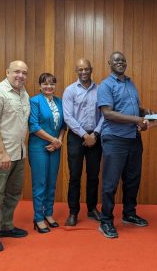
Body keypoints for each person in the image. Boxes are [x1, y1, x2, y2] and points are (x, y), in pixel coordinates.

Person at [97, 51, 150, 239]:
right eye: (117, 60)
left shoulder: (130, 83)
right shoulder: (106, 85)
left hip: (133, 138)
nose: (120, 63)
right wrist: (137, 118)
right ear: (109, 62)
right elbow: (108, 113)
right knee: (111, 183)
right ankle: (106, 221)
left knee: (132, 179)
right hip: (115, 139)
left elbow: (134, 106)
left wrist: (147, 113)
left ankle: (129, 213)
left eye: (123, 60)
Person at [0, 60, 30, 252]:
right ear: (7, 72)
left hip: (18, 152)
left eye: (24, 73)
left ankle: (5, 226)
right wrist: (2, 153)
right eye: (16, 72)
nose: (20, 76)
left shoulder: (24, 94)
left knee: (13, 193)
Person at [63, 59, 103, 226]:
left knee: (93, 176)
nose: (84, 72)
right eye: (80, 69)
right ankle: (73, 212)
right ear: (76, 71)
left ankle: (92, 208)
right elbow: (68, 117)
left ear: (91, 70)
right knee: (74, 176)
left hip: (96, 137)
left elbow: (105, 114)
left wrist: (95, 134)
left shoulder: (101, 90)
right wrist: (83, 135)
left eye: (86, 69)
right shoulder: (70, 90)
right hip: (75, 138)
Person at [28, 73, 66, 233]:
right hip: (38, 148)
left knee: (51, 182)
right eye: (45, 84)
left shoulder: (59, 101)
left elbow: (64, 125)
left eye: (51, 84)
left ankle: (48, 214)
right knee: (40, 183)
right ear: (39, 86)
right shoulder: (34, 101)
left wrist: (59, 141)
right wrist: (54, 140)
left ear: (55, 86)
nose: (48, 87)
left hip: (55, 147)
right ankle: (38, 218)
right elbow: (34, 126)